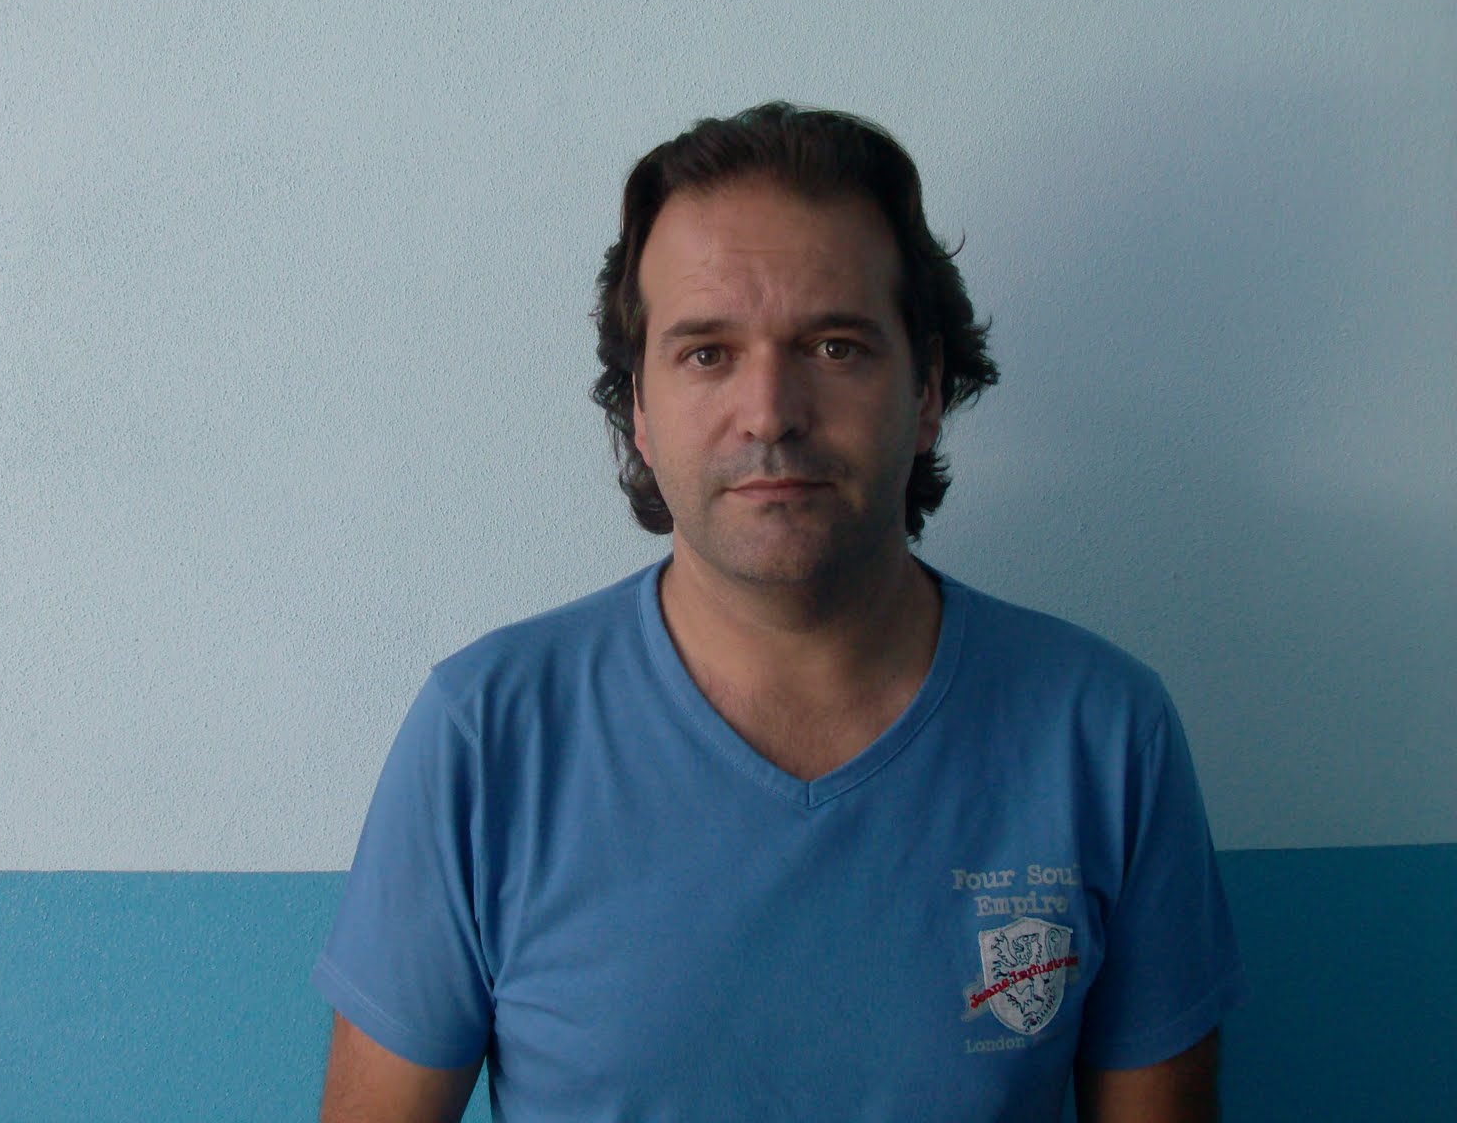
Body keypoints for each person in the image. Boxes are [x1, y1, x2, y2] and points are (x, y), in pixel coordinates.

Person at [312, 102, 1246, 1122]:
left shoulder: (1103, 733)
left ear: (927, 390)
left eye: (835, 347)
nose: (769, 411)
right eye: (706, 353)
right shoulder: (488, 737)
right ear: (638, 410)